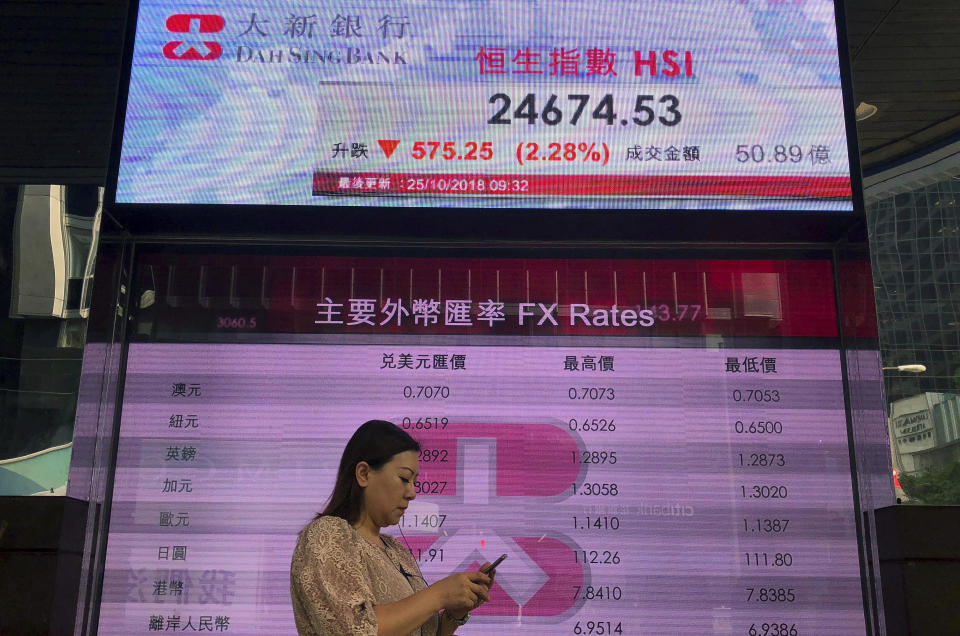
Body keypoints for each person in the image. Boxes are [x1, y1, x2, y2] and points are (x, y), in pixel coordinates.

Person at [290, 420, 496, 635]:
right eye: (404, 478)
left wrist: (455, 613)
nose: (412, 493)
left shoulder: (396, 550)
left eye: (414, 482)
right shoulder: (327, 534)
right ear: (363, 474)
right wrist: (440, 594)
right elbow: (355, 629)